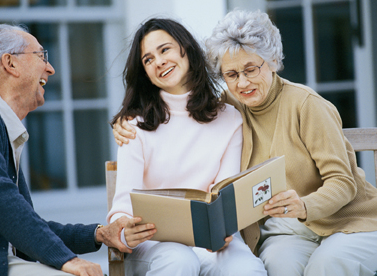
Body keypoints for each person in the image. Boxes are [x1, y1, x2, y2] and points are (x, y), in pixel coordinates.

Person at [113, 10, 377, 276]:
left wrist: (303, 205)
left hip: (352, 224)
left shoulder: (306, 105)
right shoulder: (228, 108)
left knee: (325, 266)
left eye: (251, 69)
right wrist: (123, 121)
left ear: (273, 61)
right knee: (276, 265)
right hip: (293, 230)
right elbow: (187, 115)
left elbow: (343, 181)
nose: (242, 83)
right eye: (232, 75)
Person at [0, 24, 131, 276]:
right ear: (10, 63)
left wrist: (98, 234)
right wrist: (65, 259)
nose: (50, 68)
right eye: (41, 56)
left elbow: (26, 223)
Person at [106, 18, 266, 276]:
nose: (158, 62)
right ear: (144, 72)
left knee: (247, 269)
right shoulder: (134, 127)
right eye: (148, 60)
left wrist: (223, 228)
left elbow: (223, 195)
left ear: (187, 49)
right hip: (154, 244)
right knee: (180, 261)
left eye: (164, 49)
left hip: (213, 244)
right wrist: (124, 230)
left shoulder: (229, 118)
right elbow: (122, 208)